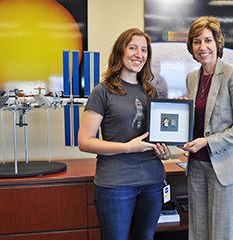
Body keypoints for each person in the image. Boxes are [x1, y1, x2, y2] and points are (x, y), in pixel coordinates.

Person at [78, 28, 170, 240]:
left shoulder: (151, 91)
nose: (139, 54)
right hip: (116, 183)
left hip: (152, 181)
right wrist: (127, 147)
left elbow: (154, 136)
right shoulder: (102, 91)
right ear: (121, 51)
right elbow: (84, 141)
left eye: (144, 50)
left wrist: (163, 152)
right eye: (133, 48)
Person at [182, 16, 233, 240]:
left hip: (224, 167)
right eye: (196, 41)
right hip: (196, 167)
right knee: (198, 232)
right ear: (191, 47)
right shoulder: (192, 78)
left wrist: (208, 141)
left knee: (221, 234)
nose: (202, 47)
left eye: (207, 40)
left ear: (217, 43)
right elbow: (199, 120)